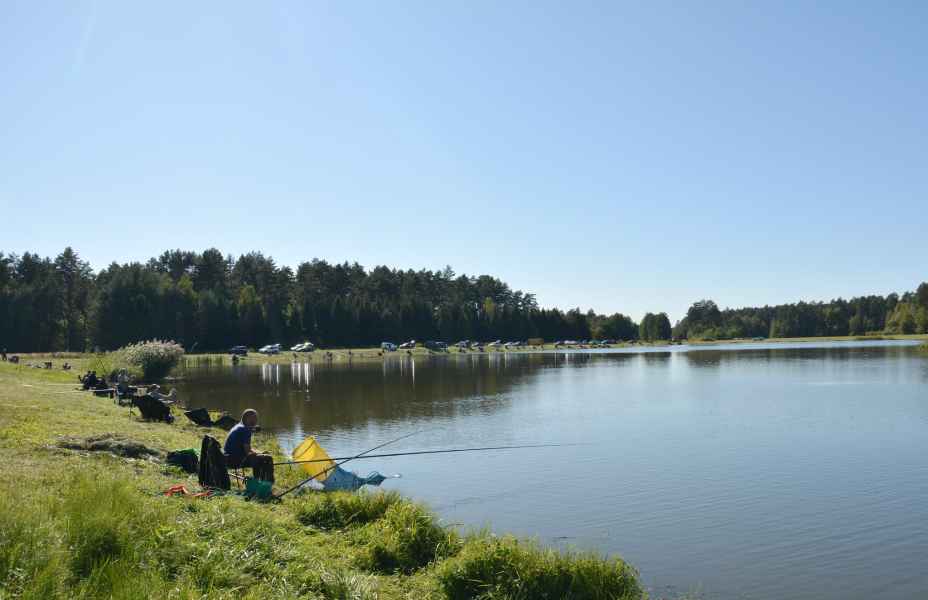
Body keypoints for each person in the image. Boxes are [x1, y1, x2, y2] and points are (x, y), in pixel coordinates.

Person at [223, 409, 274, 483]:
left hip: (227, 459)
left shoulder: (238, 426)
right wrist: (261, 455)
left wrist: (260, 453)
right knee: (268, 459)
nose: (256, 420)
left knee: (259, 457)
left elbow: (247, 449)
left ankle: (258, 481)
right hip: (235, 461)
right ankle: (266, 483)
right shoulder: (245, 429)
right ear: (248, 418)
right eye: (255, 418)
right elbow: (248, 452)